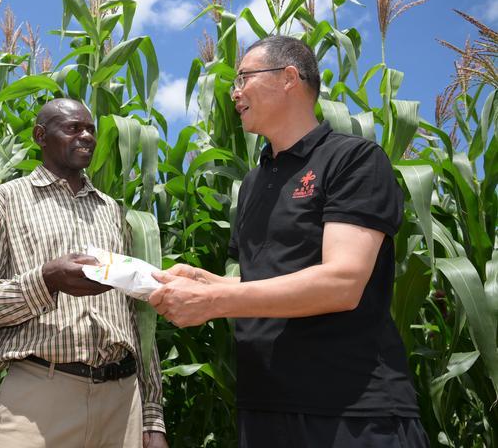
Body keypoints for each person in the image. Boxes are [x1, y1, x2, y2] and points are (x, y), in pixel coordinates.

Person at [149, 36, 427, 447]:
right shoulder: (254, 183)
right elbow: (263, 286)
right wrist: (204, 281)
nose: (234, 93)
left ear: (289, 78)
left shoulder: (353, 160)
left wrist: (212, 302)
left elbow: (343, 283)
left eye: (244, 77)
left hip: (350, 412)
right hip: (263, 411)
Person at [0, 98, 167, 448]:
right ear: (41, 135)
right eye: (73, 128)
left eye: (90, 130)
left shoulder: (113, 211)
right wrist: (46, 280)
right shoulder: (5, 201)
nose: (86, 136)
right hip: (40, 398)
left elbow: (137, 316)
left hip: (121, 400)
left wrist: (152, 416)